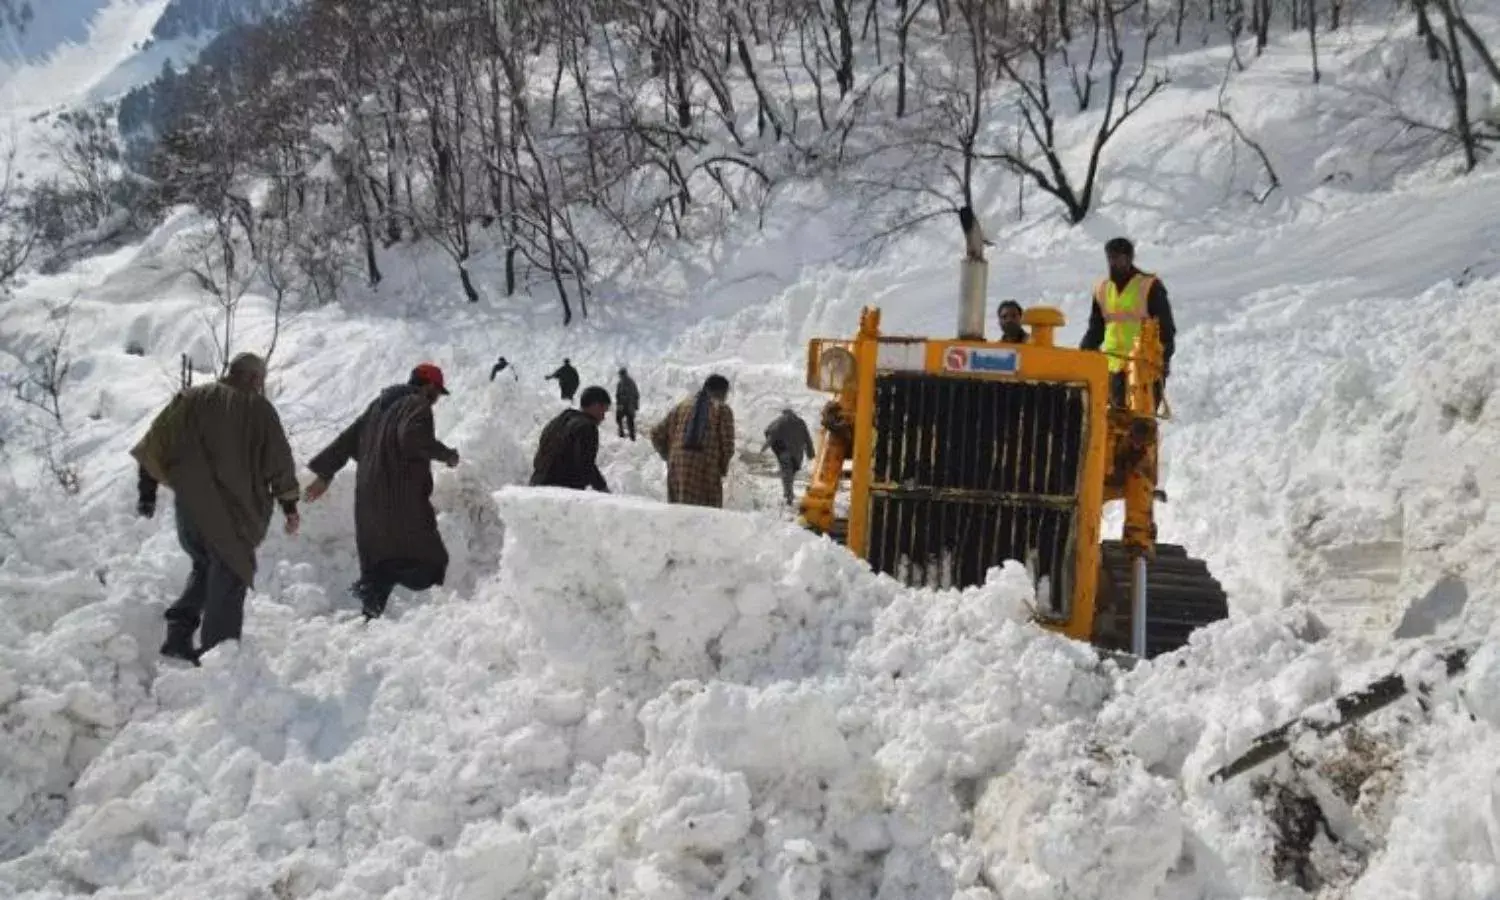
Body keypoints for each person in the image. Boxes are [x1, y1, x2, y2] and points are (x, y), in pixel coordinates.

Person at [132, 352, 301, 665]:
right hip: (233, 514)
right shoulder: (259, 410)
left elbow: (153, 445)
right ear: (254, 378)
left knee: (206, 566)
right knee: (232, 571)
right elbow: (279, 462)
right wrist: (289, 504)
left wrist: (147, 494)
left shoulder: (189, 399)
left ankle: (178, 634)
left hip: (190, 508)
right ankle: (219, 661)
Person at [304, 363, 460, 620]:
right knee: (432, 563)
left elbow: (346, 441)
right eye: (436, 393)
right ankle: (438, 619)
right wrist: (447, 455)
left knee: (378, 563)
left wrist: (325, 474)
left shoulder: (377, 407)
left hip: (367, 501)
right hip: (401, 500)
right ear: (429, 386)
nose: (436, 400)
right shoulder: (417, 405)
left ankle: (368, 619)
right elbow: (413, 438)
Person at [1079, 237, 1176, 408]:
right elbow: (1095, 330)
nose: (1114, 263)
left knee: (1139, 422)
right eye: (1111, 258)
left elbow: (1166, 330)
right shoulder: (1102, 290)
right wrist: (1083, 354)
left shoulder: (1149, 286)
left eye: (1119, 258)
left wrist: (1162, 362)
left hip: (1143, 371)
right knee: (1109, 420)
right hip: (1112, 369)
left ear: (1130, 258)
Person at [651, 374, 735, 508]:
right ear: (721, 392)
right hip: (705, 470)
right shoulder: (722, 409)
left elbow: (656, 433)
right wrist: (721, 468)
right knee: (706, 514)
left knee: (679, 511)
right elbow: (728, 445)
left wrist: (669, 456)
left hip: (678, 469)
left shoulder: (682, 406)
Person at [531, 386, 611, 491]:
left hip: (536, 485)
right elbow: (586, 464)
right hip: (561, 491)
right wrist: (603, 488)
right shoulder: (587, 427)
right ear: (595, 405)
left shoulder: (561, 420)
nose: (603, 417)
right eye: (603, 411)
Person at [761, 408, 816, 506]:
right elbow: (807, 439)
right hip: (797, 455)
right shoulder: (801, 422)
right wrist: (810, 453)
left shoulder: (780, 421)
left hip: (784, 452)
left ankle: (788, 495)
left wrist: (764, 448)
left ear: (784, 413)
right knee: (790, 474)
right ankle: (789, 493)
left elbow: (772, 434)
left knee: (786, 474)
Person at [615, 367, 640, 441]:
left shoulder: (631, 383)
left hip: (629, 405)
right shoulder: (620, 383)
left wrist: (635, 405)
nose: (621, 376)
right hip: (622, 405)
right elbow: (618, 394)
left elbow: (636, 394)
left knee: (630, 422)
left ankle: (632, 437)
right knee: (618, 418)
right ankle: (621, 433)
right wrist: (618, 403)